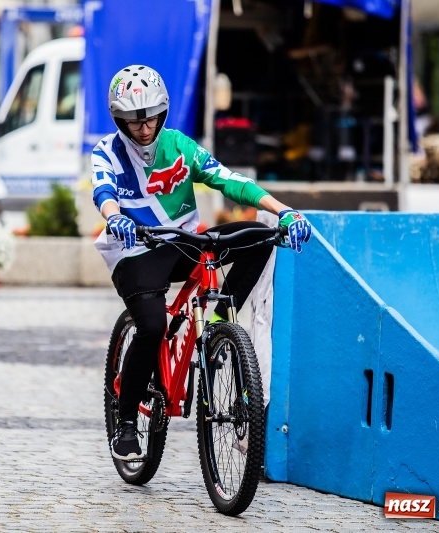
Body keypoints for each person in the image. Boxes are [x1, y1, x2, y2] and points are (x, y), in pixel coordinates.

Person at [90, 64, 313, 461]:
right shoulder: (106, 152)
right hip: (134, 249)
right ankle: (126, 423)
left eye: (151, 117)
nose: (144, 128)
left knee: (259, 239)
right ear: (118, 119)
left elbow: (229, 180)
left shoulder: (180, 146)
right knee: (153, 326)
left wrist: (284, 211)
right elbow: (103, 191)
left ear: (163, 111)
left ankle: (218, 322)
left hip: (182, 243)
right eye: (133, 120)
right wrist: (115, 217)